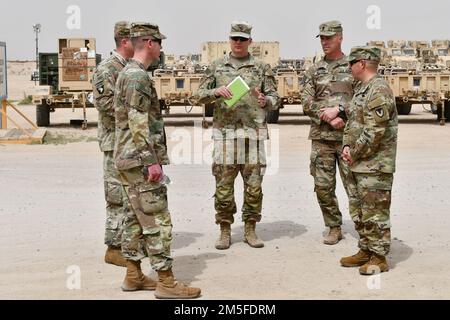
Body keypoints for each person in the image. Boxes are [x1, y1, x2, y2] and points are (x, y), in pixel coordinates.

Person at [114, 22, 201, 298]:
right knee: (156, 218)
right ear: (150, 43)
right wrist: (151, 160)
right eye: (159, 43)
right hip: (139, 161)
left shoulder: (129, 72)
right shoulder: (137, 76)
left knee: (134, 218)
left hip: (127, 158)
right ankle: (166, 281)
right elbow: (137, 121)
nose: (162, 49)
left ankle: (133, 274)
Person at [197, 21, 280, 250]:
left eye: (243, 39)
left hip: (253, 135)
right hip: (225, 135)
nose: (238, 43)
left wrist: (267, 100)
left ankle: (250, 229)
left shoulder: (261, 68)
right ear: (229, 40)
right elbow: (198, 96)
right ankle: (224, 230)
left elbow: (275, 97)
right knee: (223, 185)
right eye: (235, 38)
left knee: (254, 186)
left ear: (250, 41)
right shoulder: (216, 66)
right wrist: (214, 92)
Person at [300, 21, 359, 245]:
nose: (325, 42)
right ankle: (334, 226)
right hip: (322, 138)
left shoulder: (353, 67)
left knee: (354, 186)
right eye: (322, 38)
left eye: (329, 37)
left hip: (348, 138)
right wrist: (327, 116)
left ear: (340, 37)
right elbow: (305, 101)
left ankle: (363, 225)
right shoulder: (314, 70)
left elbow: (362, 99)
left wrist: (341, 115)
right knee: (323, 187)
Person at [341, 46, 398, 275]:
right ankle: (365, 249)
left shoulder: (379, 90)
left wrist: (353, 151)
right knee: (360, 210)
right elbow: (352, 122)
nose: (349, 67)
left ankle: (379, 256)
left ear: (362, 64)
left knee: (375, 211)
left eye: (352, 62)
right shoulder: (361, 89)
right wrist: (346, 145)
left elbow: (375, 132)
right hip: (359, 163)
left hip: (375, 165)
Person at [93, 21, 134, 267]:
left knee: (131, 195)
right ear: (125, 41)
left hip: (130, 142)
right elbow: (105, 105)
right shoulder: (106, 69)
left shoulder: (130, 68)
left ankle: (128, 243)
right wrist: (135, 110)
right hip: (114, 143)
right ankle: (114, 247)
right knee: (117, 195)